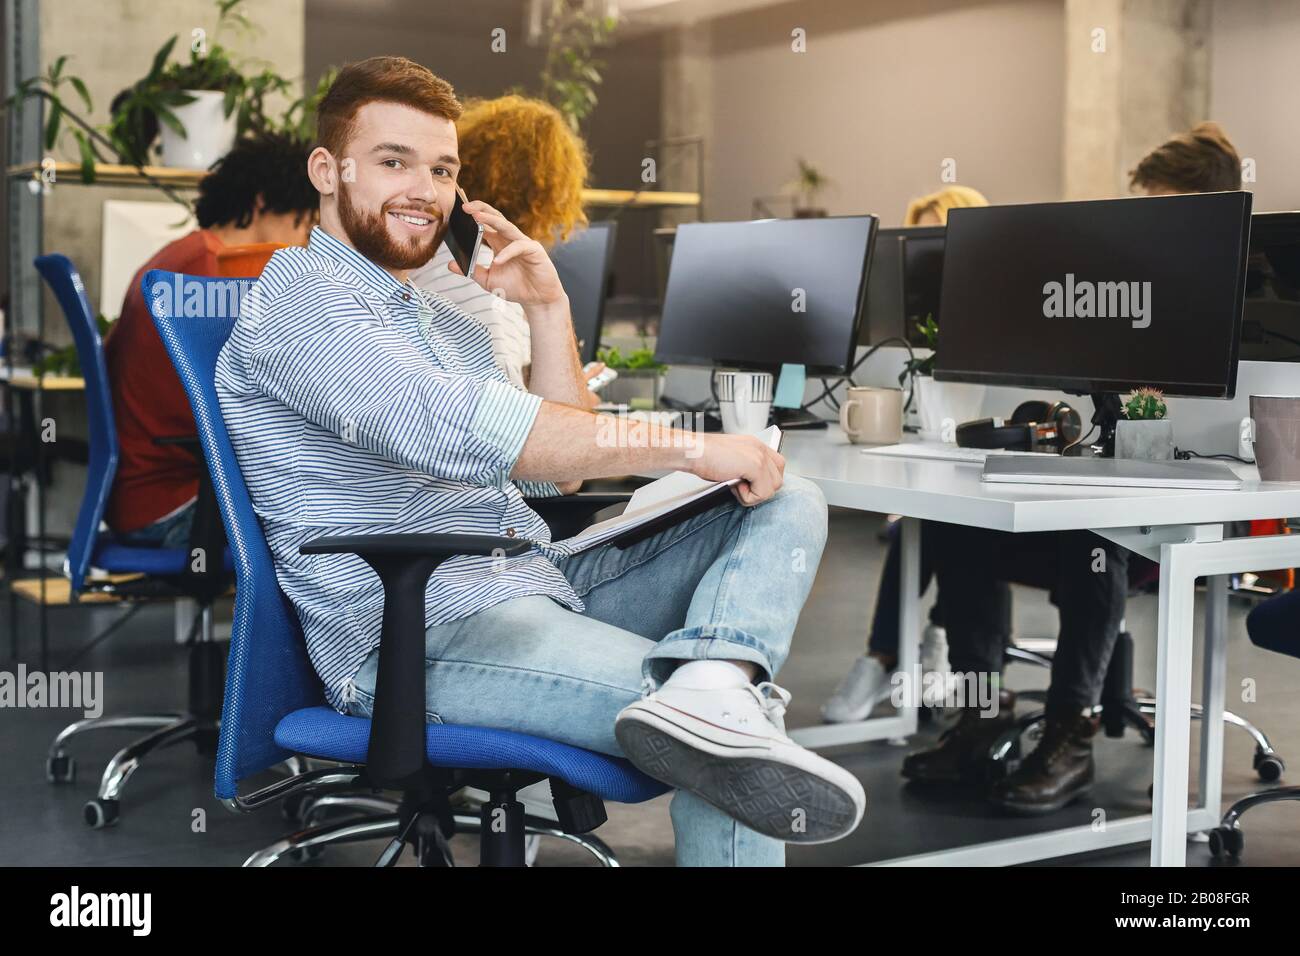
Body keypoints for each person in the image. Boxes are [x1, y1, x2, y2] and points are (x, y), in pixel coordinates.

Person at [215, 56, 865, 866]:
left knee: (782, 497)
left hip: (538, 582)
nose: (424, 187)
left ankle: (712, 682)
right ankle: (711, 699)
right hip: (417, 631)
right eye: (393, 162)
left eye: (442, 169)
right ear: (326, 169)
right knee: (726, 736)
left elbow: (551, 475)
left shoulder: (436, 317)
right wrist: (691, 446)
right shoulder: (303, 308)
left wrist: (548, 307)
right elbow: (491, 430)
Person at [897, 122, 1245, 816]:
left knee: (1095, 536)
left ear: (1205, 210)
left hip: (1166, 517)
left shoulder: (1225, 292)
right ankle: (984, 711)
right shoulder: (1116, 274)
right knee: (955, 516)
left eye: (1158, 205)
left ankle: (1069, 733)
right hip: (1096, 475)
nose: (1141, 222)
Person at [822, 185, 996, 724]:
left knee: (945, 525)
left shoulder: (1003, 315)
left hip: (995, 461)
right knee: (917, 523)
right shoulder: (911, 336)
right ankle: (905, 651)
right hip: (937, 449)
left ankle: (907, 649)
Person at [105, 132, 316, 548]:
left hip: (144, 497)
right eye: (306, 220)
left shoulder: (181, 258)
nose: (308, 238)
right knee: (341, 531)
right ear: (261, 204)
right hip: (175, 503)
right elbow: (252, 405)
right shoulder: (210, 273)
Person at [409, 94, 602, 403]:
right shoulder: (484, 279)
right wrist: (576, 400)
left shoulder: (438, 256)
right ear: (546, 193)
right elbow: (525, 438)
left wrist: (540, 378)